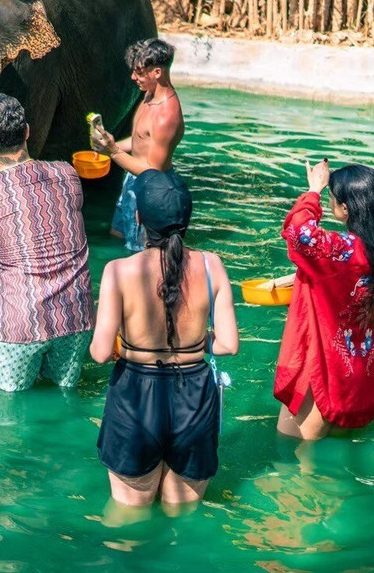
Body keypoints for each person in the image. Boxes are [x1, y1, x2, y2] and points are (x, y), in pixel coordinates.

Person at [90, 169, 238, 510]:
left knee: (128, 518)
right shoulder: (212, 265)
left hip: (135, 397)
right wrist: (192, 342)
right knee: (183, 516)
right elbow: (228, 345)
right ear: (187, 219)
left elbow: (99, 352)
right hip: (195, 397)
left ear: (140, 218)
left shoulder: (118, 270)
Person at [0, 93, 95, 393]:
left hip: (21, 325)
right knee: (60, 399)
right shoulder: (67, 174)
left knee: (0, 411)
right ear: (27, 131)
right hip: (75, 318)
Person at [275, 160, 374, 440]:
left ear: (346, 208)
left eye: (332, 199)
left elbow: (299, 233)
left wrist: (313, 191)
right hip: (359, 381)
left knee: (296, 461)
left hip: (324, 371)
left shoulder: (341, 250)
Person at [92, 39, 185, 251]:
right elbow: (139, 140)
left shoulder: (166, 116)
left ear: (157, 73)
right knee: (118, 235)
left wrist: (112, 151)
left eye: (140, 72)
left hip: (151, 190)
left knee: (139, 249)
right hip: (133, 180)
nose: (133, 77)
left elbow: (154, 172)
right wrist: (109, 144)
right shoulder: (149, 95)